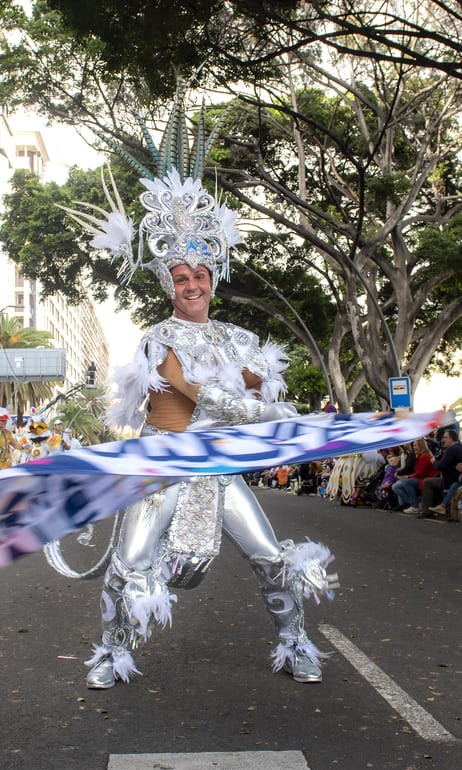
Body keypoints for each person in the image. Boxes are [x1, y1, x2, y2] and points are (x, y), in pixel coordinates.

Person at [72, 161, 333, 690]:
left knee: (267, 554)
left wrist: (250, 405)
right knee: (130, 562)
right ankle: (112, 651)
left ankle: (295, 641)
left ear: (214, 280)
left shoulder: (240, 338)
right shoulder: (156, 337)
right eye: (181, 278)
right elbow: (188, 398)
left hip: (218, 466)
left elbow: (258, 393)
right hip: (165, 462)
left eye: (199, 276)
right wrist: (251, 407)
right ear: (169, 286)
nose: (191, 285)